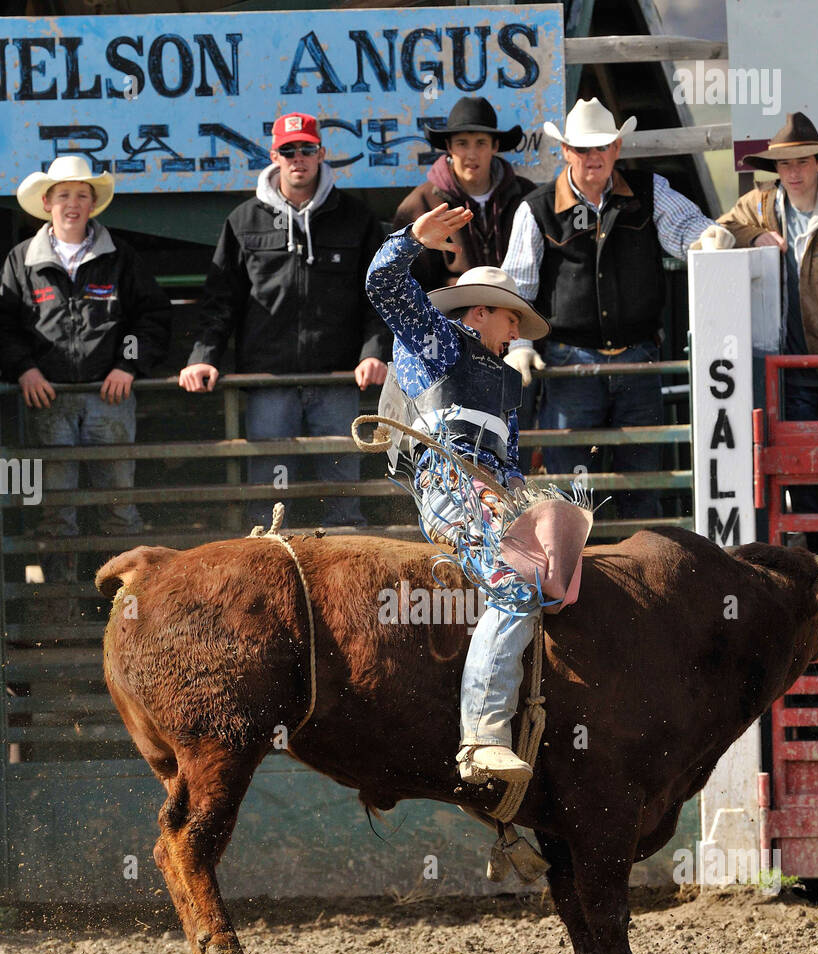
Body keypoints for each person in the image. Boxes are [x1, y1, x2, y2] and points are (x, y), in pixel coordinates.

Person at [366, 202, 552, 785]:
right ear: (479, 313)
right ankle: (481, 738)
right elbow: (384, 284)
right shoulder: (441, 343)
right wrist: (412, 239)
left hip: (490, 490)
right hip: (450, 483)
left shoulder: (502, 380)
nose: (517, 330)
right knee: (515, 584)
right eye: (511, 318)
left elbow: (509, 463)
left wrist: (523, 500)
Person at [501, 98, 733, 518]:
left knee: (640, 481)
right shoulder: (535, 209)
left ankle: (637, 573)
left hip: (637, 358)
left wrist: (709, 238)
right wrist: (516, 343)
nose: (594, 157)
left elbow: (687, 229)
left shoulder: (649, 191)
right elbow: (517, 286)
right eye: (584, 149)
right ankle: (574, 579)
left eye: (603, 147)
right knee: (569, 488)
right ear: (567, 152)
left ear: (617, 149)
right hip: (569, 362)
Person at [179, 112, 390, 529]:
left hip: (337, 379)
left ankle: (346, 590)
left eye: (306, 149)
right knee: (269, 502)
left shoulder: (355, 217)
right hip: (268, 382)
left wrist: (374, 352)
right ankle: (272, 585)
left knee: (343, 495)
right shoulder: (243, 221)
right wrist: (204, 355)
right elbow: (221, 298)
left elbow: (378, 295)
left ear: (321, 153)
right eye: (289, 150)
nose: (299, 158)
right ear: (274, 155)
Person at [0, 154, 170, 600]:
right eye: (63, 196)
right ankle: (60, 608)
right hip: (46, 401)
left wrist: (127, 364)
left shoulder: (120, 258)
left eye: (81, 195)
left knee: (119, 507)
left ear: (93, 203)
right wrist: (24, 369)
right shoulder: (20, 261)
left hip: (109, 399)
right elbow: (5, 326)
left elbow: (151, 316)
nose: (72, 204)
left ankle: (123, 615)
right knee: (55, 510)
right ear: (47, 202)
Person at [718, 111, 818, 550]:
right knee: (804, 480)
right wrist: (753, 238)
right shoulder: (761, 207)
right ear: (776, 170)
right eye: (785, 164)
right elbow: (723, 229)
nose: (794, 171)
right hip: (792, 375)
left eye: (802, 162)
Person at [392, 96, 533, 290]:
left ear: (495, 146)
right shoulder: (420, 204)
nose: (471, 154)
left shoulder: (526, 196)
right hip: (449, 315)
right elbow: (408, 281)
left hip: (513, 311)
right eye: (462, 143)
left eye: (481, 143)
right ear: (449, 147)